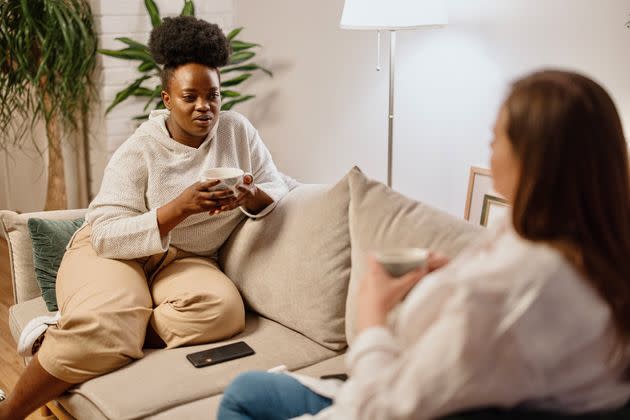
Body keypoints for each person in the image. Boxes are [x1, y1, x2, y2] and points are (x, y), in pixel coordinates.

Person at [217, 69, 630, 419]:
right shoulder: (593, 250)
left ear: (531, 162)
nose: (489, 149)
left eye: (495, 138)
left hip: (382, 395)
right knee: (254, 386)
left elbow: (382, 409)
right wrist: (457, 272)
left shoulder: (501, 295)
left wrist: (373, 313)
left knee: (241, 397)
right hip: (424, 380)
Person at [0, 16, 288, 420]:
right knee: (110, 320)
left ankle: (101, 327)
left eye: (214, 96)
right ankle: (10, 411)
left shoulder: (237, 132)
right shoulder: (140, 149)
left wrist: (250, 193)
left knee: (222, 312)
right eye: (190, 97)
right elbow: (104, 234)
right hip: (113, 253)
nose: (205, 107)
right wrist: (179, 208)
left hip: (186, 259)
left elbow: (277, 187)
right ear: (167, 99)